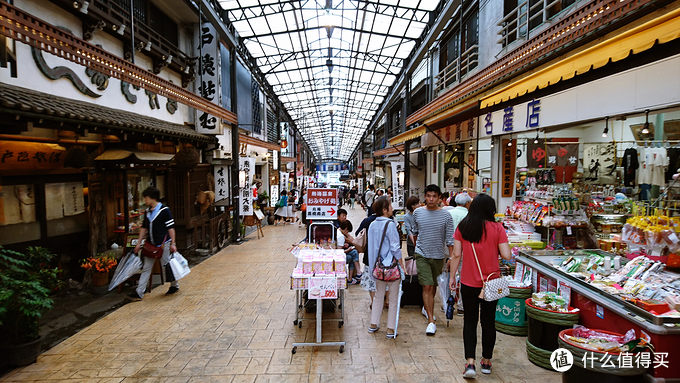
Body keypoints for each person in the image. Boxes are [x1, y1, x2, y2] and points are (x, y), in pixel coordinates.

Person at [448, 194, 511, 379]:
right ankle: (486, 361)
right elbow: (507, 255)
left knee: (469, 321)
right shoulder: (497, 228)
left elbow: (456, 255)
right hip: (491, 283)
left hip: (468, 282)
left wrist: (453, 277)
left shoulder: (463, 227)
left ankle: (470, 364)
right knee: (488, 322)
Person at [412, 184, 455, 336]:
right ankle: (431, 320)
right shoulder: (417, 212)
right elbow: (415, 233)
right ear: (425, 196)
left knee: (434, 286)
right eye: (428, 196)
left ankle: (427, 308)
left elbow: (450, 239)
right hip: (422, 254)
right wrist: (418, 248)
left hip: (438, 256)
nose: (431, 199)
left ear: (439, 198)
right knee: (427, 286)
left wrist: (451, 257)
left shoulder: (446, 215)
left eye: (434, 196)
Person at [127, 186, 179, 301]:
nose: (144, 200)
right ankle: (139, 292)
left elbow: (170, 228)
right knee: (147, 267)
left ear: (153, 198)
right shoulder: (147, 212)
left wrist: (173, 243)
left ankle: (174, 285)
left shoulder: (165, 210)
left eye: (146, 198)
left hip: (164, 244)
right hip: (151, 244)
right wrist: (139, 243)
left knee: (166, 265)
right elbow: (144, 228)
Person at [367, 198, 406, 338]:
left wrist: (373, 268)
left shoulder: (372, 225)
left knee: (378, 295)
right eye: (389, 205)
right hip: (391, 267)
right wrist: (402, 264)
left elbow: (371, 249)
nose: (391, 207)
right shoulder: (390, 224)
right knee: (393, 297)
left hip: (378, 267)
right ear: (384, 210)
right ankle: (390, 328)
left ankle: (374, 323)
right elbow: (395, 247)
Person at [449, 192, 472, 316]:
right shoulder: (470, 215)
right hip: (465, 251)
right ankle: (462, 305)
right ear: (467, 203)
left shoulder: (449, 213)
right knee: (464, 278)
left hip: (449, 249)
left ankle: (448, 302)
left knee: (449, 276)